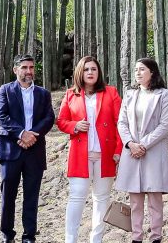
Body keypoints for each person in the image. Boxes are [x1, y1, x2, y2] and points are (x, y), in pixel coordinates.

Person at [56, 56, 123, 243]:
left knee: (101, 198)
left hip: (106, 154)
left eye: (94, 69)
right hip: (80, 154)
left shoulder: (111, 92)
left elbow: (121, 123)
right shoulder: (71, 94)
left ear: (98, 72)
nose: (90, 72)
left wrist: (119, 150)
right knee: (76, 197)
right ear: (80, 72)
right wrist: (75, 126)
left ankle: (96, 239)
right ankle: (70, 239)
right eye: (86, 69)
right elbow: (61, 121)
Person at [0, 54, 55, 243]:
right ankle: (7, 233)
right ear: (15, 70)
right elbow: (2, 116)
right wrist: (22, 134)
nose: (29, 71)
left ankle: (29, 235)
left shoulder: (43, 93)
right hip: (10, 150)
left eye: (31, 67)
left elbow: (49, 118)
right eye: (24, 67)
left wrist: (32, 135)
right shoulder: (5, 90)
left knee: (32, 195)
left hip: (34, 151)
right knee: (8, 194)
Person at [116, 58, 168, 243]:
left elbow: (165, 125)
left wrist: (143, 144)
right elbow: (122, 122)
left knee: (155, 198)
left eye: (142, 69)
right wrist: (130, 144)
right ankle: (136, 237)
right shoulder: (130, 94)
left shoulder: (164, 95)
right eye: (136, 70)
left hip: (153, 150)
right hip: (132, 151)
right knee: (135, 199)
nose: (138, 73)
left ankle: (156, 236)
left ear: (152, 72)